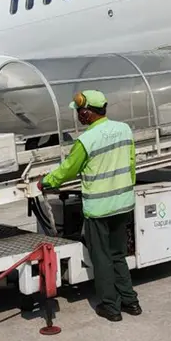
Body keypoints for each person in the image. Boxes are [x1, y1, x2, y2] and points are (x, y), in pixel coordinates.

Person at [39, 90, 141, 322]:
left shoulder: (86, 140)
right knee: (118, 255)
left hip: (99, 209)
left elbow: (68, 170)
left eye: (78, 112)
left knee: (102, 258)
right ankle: (131, 301)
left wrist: (46, 182)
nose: (77, 116)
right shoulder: (125, 129)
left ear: (87, 113)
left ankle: (111, 307)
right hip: (123, 204)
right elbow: (132, 164)